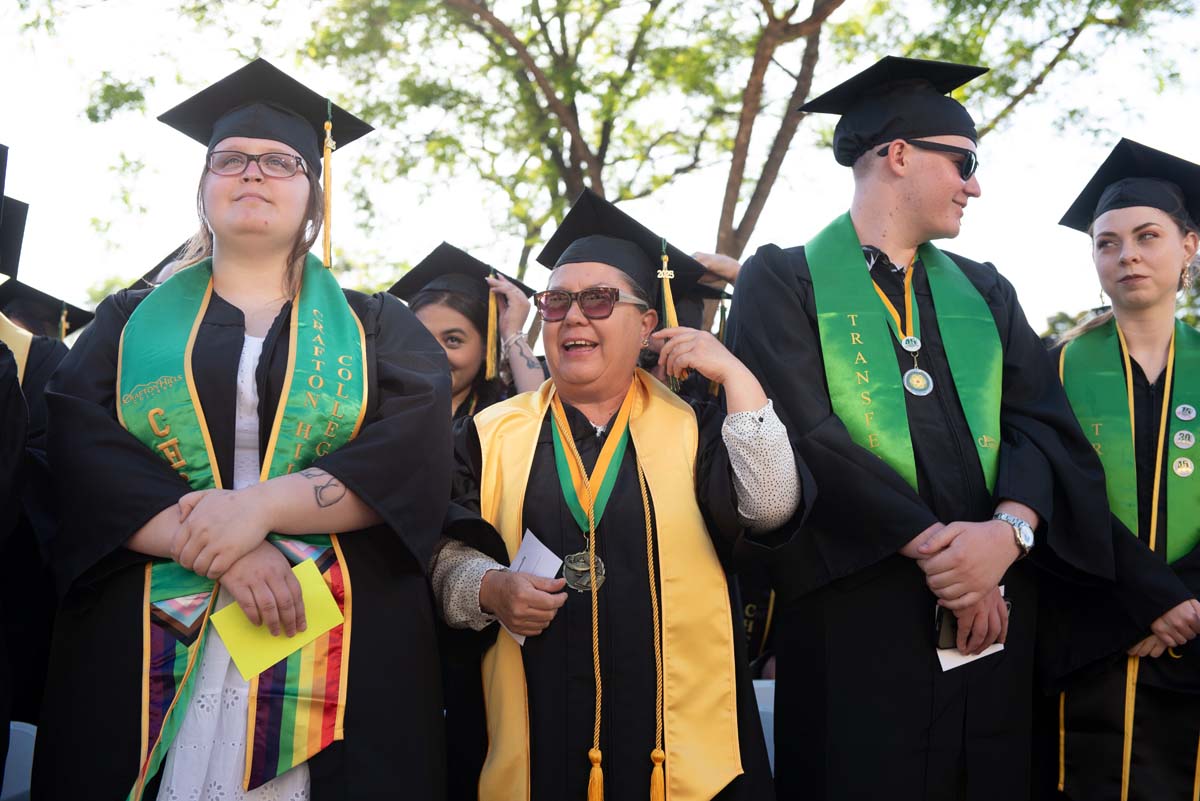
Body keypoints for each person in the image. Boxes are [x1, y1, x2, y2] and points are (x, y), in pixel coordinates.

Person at [726, 55, 1157, 800]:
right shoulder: (782, 279)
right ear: (898, 156)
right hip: (857, 623)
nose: (974, 184)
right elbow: (806, 434)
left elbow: (1043, 429)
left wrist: (1005, 536)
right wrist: (950, 562)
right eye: (963, 162)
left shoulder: (985, 290)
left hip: (994, 625)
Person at [32, 58, 453, 800]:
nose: (252, 173)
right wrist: (228, 552)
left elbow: (410, 455)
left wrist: (258, 510)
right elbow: (75, 447)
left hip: (336, 628)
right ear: (203, 188)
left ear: (314, 196)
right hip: (149, 620)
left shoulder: (377, 324)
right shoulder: (128, 322)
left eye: (280, 162)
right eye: (230, 159)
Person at [435, 188, 812, 801]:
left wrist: (738, 376)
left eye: (600, 299)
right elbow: (442, 552)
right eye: (556, 302)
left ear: (646, 325)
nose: (575, 316)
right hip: (531, 736)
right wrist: (486, 587)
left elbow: (771, 507)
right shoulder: (486, 433)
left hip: (675, 742)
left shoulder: (697, 426)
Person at [1040, 139, 1200, 801]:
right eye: (1106, 242)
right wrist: (1150, 599)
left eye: (1147, 236)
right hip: (1088, 637)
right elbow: (1044, 497)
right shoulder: (1051, 369)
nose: (1126, 253)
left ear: (1189, 246)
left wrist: (1185, 602)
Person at [390, 242, 544, 419]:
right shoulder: (380, 407)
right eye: (422, 338)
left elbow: (537, 409)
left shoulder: (499, 418)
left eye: (453, 340)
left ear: (486, 349)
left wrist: (512, 333)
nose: (434, 353)